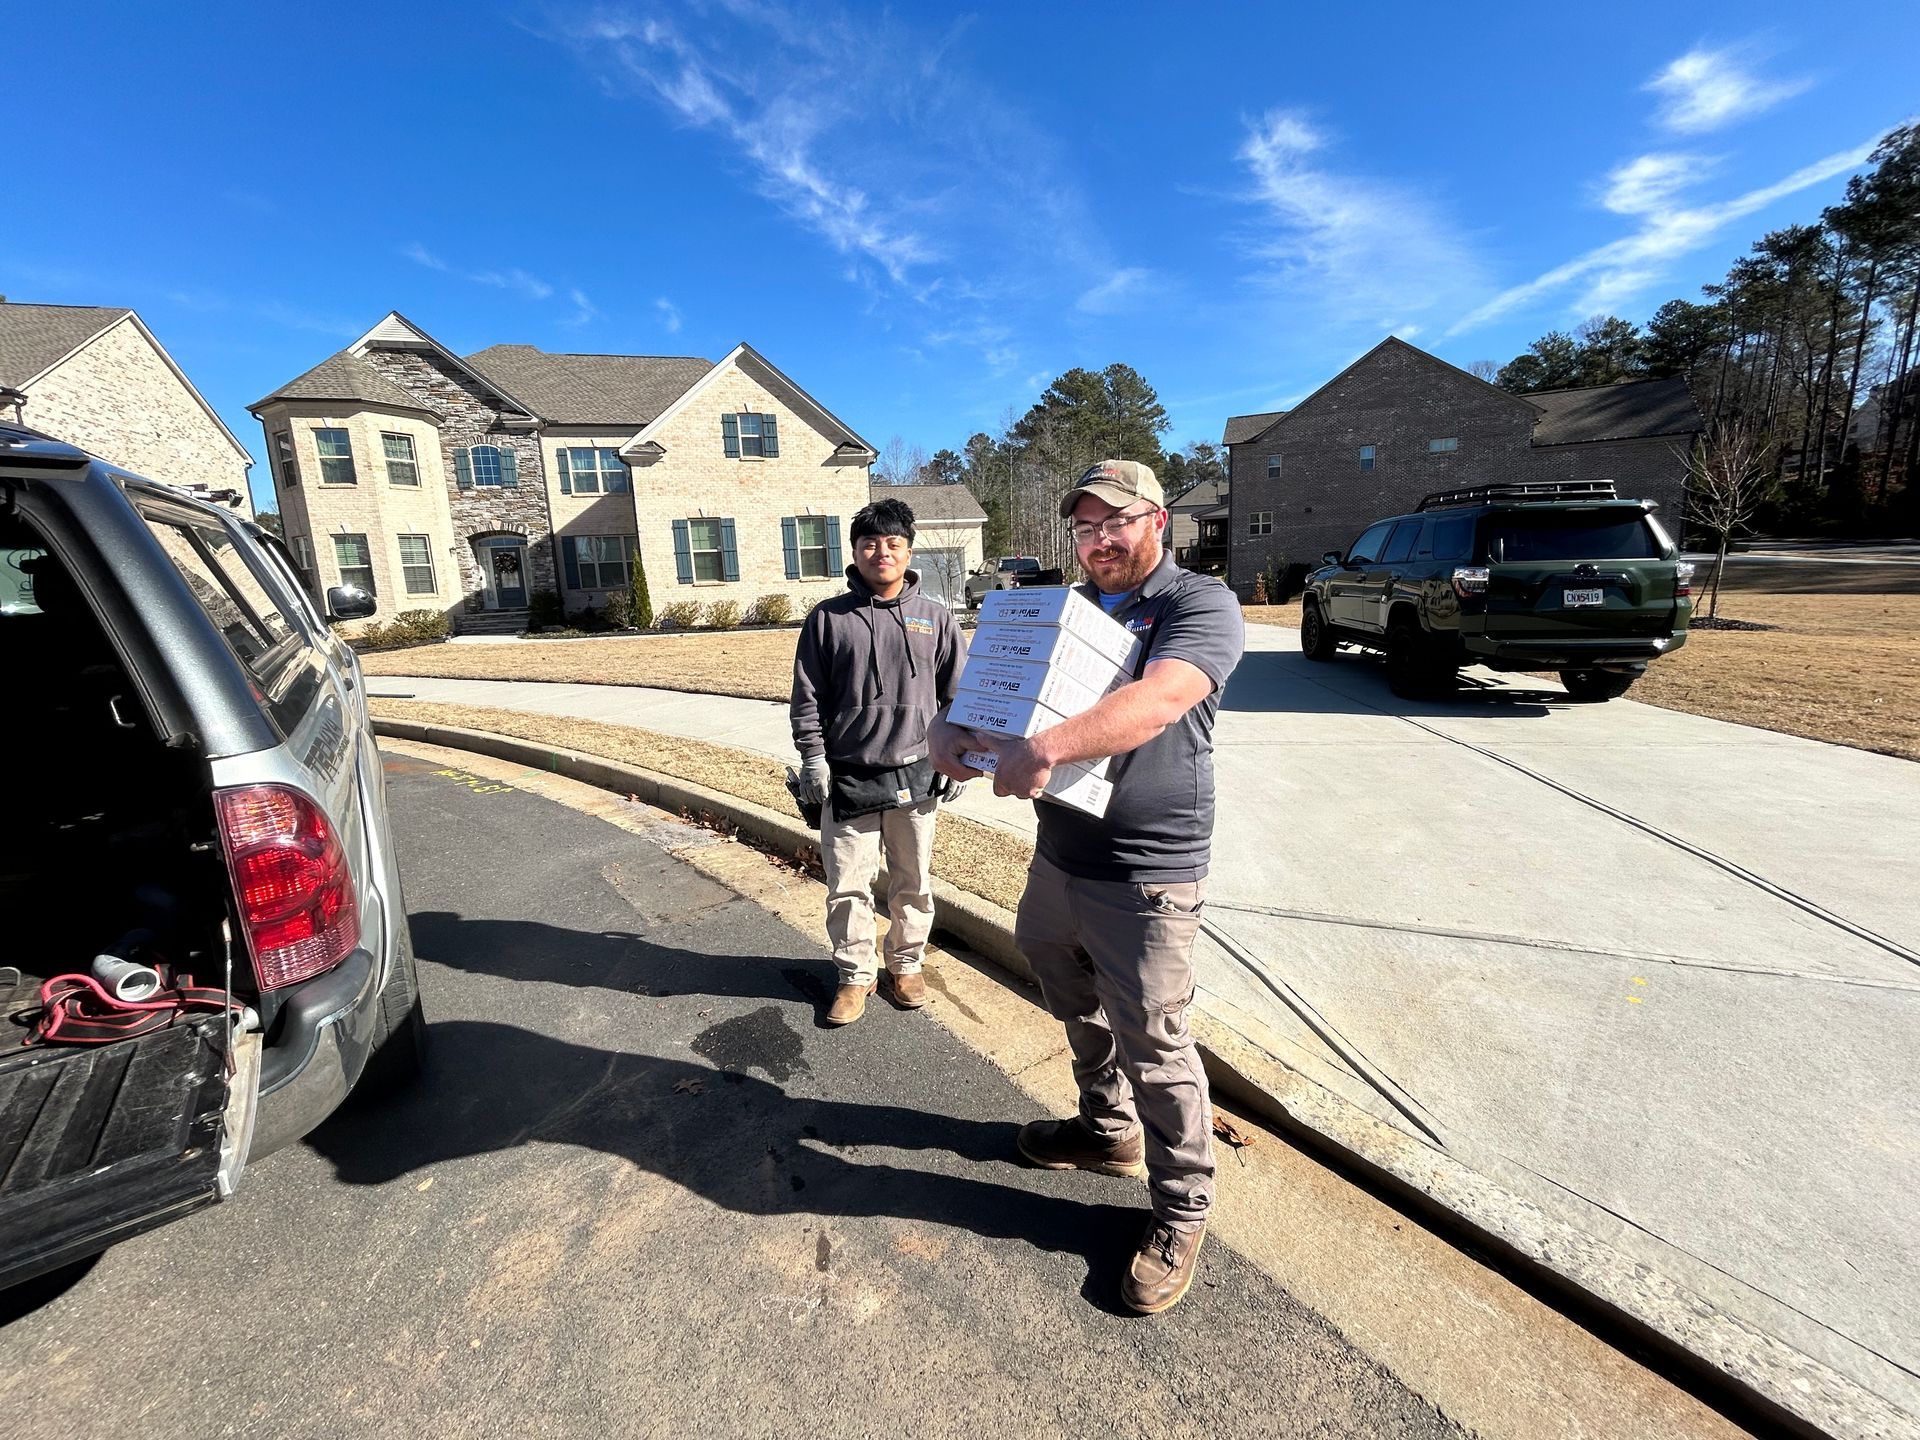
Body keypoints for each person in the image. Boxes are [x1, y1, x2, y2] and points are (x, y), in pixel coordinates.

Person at [928, 459, 1244, 1315]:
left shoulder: (1198, 605)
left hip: (1147, 869)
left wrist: (1048, 747)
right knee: (1067, 989)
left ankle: (1182, 1210)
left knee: (1156, 1044)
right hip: (1061, 854)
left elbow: (1160, 699)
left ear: (1158, 523)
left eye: (1117, 522)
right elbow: (996, 685)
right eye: (1085, 527)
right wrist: (950, 724)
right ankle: (1107, 1131)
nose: (1100, 540)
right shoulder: (1067, 609)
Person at [791, 497, 965, 1026]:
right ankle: (854, 974)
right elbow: (807, 697)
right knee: (847, 885)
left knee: (913, 881)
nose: (881, 552)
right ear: (855, 552)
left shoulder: (935, 618)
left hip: (918, 771)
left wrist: (958, 758)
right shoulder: (828, 619)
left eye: (893, 543)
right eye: (870, 543)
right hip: (849, 775)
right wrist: (814, 759)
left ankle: (906, 965)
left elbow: (959, 698)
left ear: (908, 551)